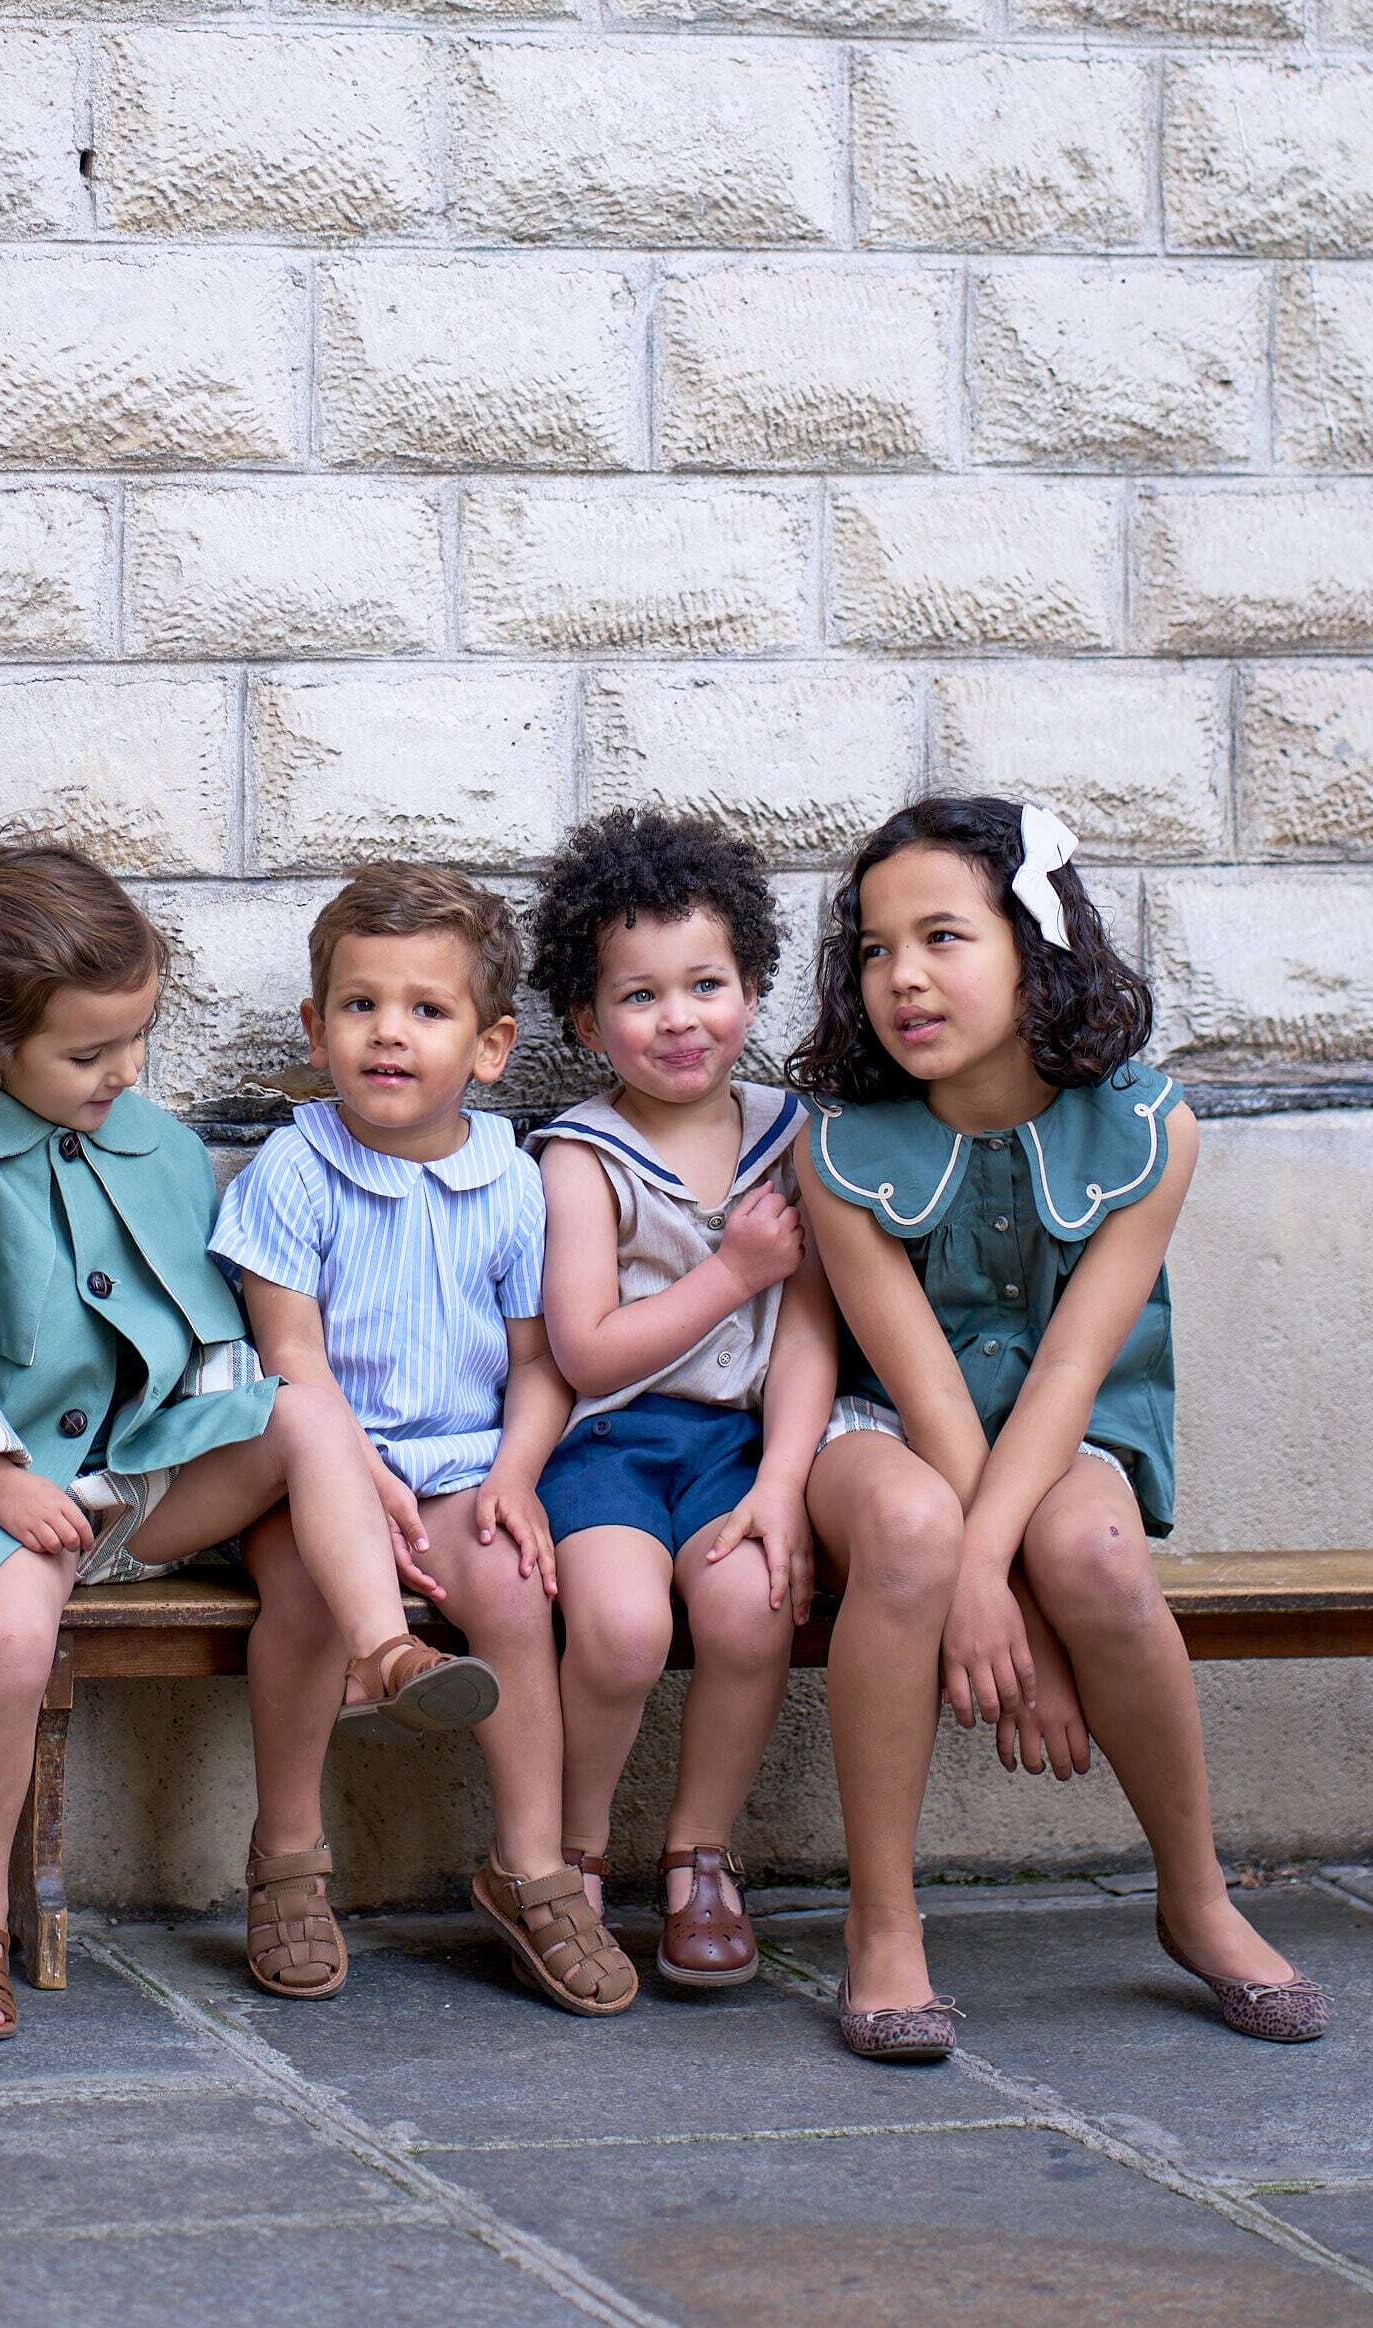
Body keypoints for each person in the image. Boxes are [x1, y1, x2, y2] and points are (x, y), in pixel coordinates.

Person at [0, 841, 496, 2044]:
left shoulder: (149, 1145)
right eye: (88, 1054)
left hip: (132, 1485)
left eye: (137, 1039)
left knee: (306, 1410)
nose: (125, 1072)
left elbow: (212, 1335)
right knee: (12, 1639)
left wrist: (301, 1455)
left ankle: (387, 1653)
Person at [794, 793, 1330, 2060]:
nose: (902, 977)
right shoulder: (839, 1150)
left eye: (943, 937)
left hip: (1068, 1426)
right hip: (889, 1426)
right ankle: (883, 1924)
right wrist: (989, 1590)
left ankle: (1196, 1899)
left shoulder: (1149, 1127)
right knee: (914, 1531)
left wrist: (1008, 1578)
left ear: (1038, 945)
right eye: (874, 950)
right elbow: (926, 1392)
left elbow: (1074, 1373)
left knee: (1091, 1550)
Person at [215, 860, 639, 2017]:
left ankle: (533, 1867)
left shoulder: (511, 1182)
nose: (389, 1033)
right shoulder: (296, 1169)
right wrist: (356, 1477)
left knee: (510, 1584)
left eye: (426, 1009)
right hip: (311, 1473)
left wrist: (516, 1476)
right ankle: (288, 1853)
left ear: (490, 1048)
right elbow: (290, 1360)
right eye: (360, 1005)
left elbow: (540, 1364)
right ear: (317, 1029)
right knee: (304, 1596)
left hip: (457, 1468)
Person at [526, 810, 836, 1989]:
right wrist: (732, 1272)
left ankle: (702, 1854)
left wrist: (784, 1483)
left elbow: (808, 1331)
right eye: (639, 996)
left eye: (706, 985)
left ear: (752, 987)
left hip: (741, 1445)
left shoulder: (794, 1137)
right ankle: (568, 1854)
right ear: (586, 1021)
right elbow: (588, 1354)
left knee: (754, 1607)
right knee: (620, 1628)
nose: (678, 1019)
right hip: (607, 1444)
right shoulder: (581, 1156)